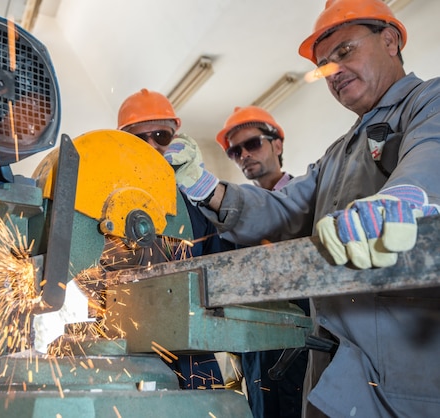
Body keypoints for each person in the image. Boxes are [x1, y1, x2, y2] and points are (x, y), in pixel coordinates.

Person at [165, 0, 440, 416]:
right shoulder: (337, 153)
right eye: (326, 65)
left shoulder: (428, 102)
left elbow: (431, 152)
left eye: (345, 51)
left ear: (389, 40)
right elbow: (285, 210)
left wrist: (404, 199)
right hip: (338, 371)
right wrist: (206, 188)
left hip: (408, 373)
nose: (335, 71)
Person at [117, 88, 237, 390]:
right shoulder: (109, 202)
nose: (151, 145)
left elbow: (223, 264)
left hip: (194, 353)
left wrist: (202, 192)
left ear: (177, 136)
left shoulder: (194, 202)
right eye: (139, 138)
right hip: (130, 353)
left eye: (161, 135)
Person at [216, 106, 309, 418]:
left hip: (306, 336)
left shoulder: (310, 201)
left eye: (252, 144)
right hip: (256, 346)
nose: (244, 155)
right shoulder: (231, 221)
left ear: (277, 145)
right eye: (235, 151)